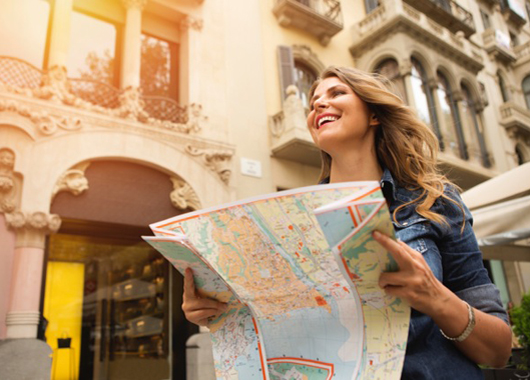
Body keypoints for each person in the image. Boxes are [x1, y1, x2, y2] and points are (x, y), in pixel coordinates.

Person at [182, 66, 512, 378]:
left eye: (337, 92)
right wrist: (223, 314)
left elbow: (498, 351)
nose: (319, 104)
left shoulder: (436, 203)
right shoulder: (289, 222)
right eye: (313, 103)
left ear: (373, 114)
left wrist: (438, 299)